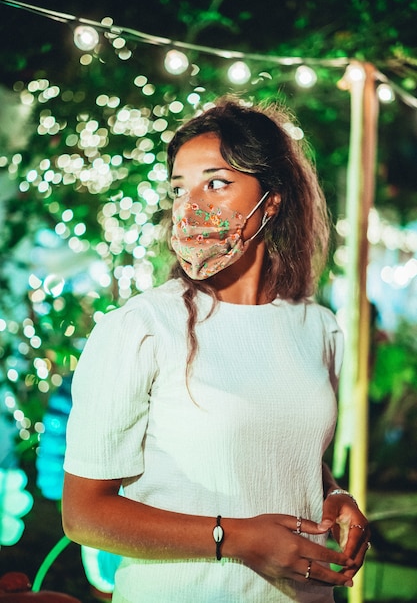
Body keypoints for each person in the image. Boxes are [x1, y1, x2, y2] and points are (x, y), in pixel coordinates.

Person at [62, 97, 370, 603]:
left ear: (271, 200)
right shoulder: (141, 329)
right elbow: (83, 514)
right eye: (179, 187)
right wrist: (240, 538)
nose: (190, 206)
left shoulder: (318, 327)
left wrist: (333, 495)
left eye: (217, 182)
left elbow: (277, 448)